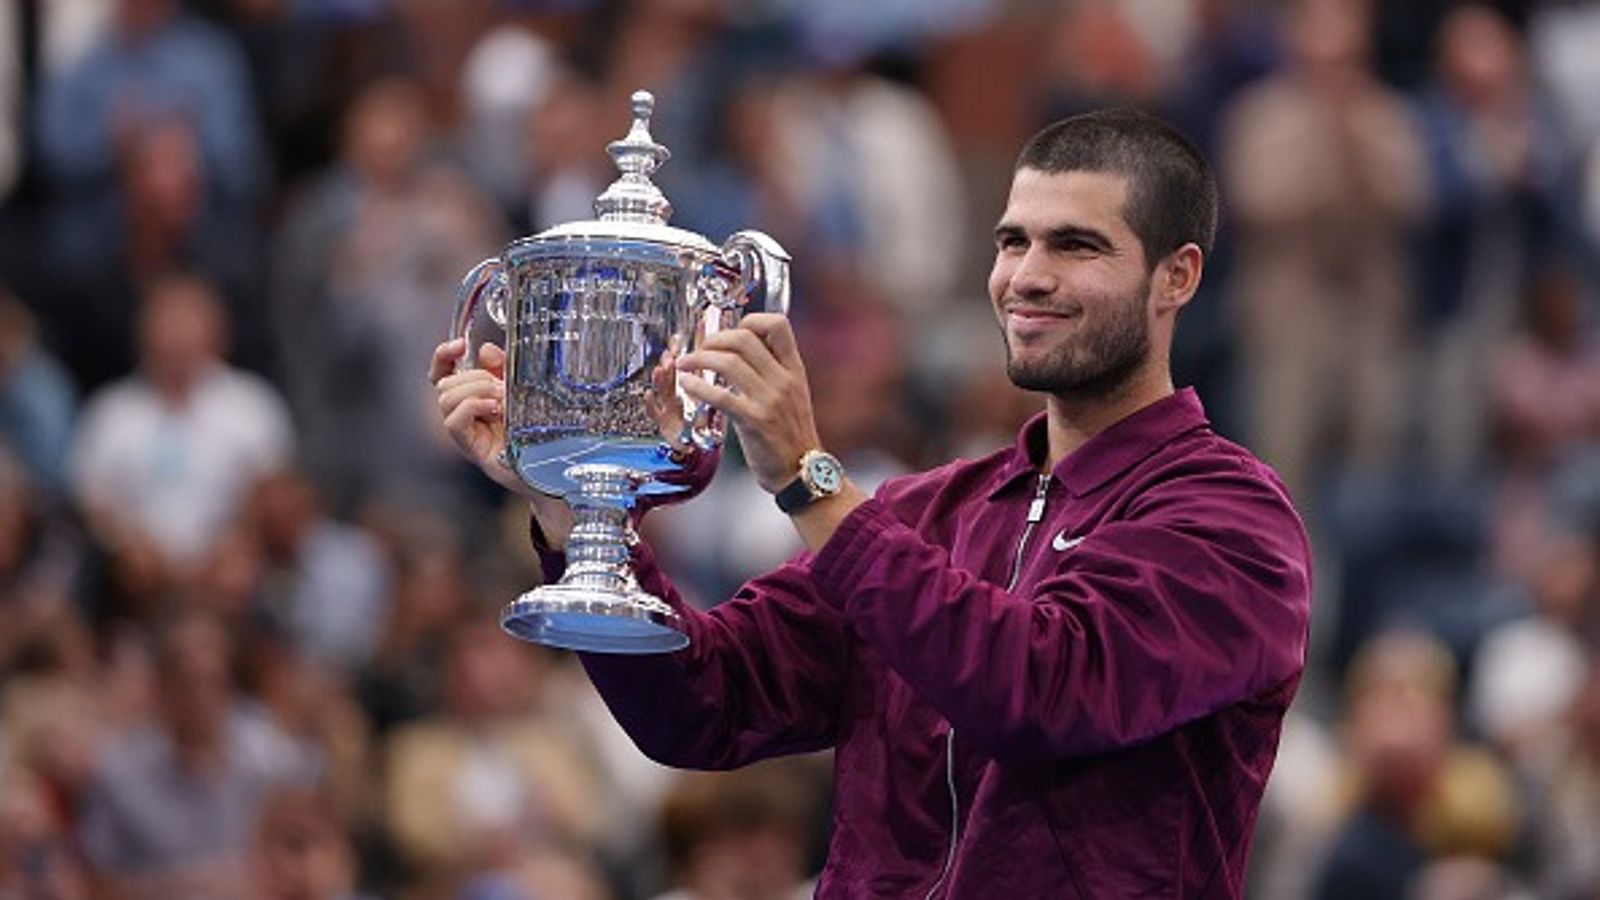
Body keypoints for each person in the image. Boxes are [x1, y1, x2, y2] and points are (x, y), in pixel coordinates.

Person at [431, 107, 1313, 897]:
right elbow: (704, 705)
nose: (1027, 278)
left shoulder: (1232, 523)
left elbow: (1040, 690)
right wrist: (570, 505)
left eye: (1076, 246)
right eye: (1013, 242)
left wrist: (807, 477)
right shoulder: (926, 514)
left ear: (1178, 277)